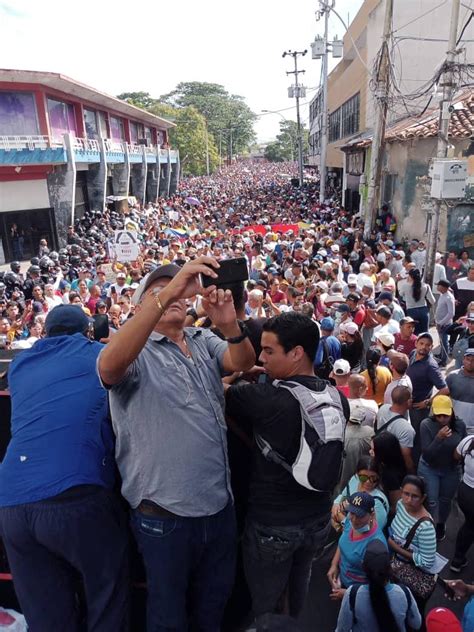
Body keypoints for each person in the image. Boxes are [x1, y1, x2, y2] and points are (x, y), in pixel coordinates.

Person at [97, 258, 256, 631]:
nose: (175, 295)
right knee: (168, 616)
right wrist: (170, 289)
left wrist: (229, 324)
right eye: (159, 291)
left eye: (180, 290)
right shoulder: (134, 350)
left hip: (218, 507)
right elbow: (108, 368)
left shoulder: (202, 339)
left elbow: (243, 361)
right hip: (164, 514)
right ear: (139, 308)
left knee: (212, 608)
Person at [0, 305, 129, 631]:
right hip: (75, 493)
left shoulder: (19, 365)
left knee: (46, 615)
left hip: (12, 503)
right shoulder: (98, 354)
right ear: (87, 333)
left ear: (44, 334)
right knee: (107, 595)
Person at [225, 312, 349, 619]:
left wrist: (236, 374)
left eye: (269, 351)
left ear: (296, 353)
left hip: (272, 525)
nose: (262, 359)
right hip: (318, 520)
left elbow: (217, 387)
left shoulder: (264, 399)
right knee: (297, 592)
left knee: (266, 608)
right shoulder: (337, 397)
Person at [335, 539, 421, 632]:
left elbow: (342, 629)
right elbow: (416, 623)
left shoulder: (352, 595)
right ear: (389, 568)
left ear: (363, 566)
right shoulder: (404, 593)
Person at [388, 475, 437, 622]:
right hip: (395, 566)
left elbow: (427, 561)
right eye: (406, 494)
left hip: (410, 576)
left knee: (412, 615)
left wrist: (397, 548)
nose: (409, 500)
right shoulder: (401, 505)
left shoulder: (425, 527)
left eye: (415, 496)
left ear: (423, 498)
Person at [418, 395, 466, 541]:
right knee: (432, 500)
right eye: (439, 415)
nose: (442, 418)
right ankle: (429, 525)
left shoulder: (459, 425)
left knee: (446, 500)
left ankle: (441, 524)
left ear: (451, 412)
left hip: (451, 469)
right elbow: (427, 455)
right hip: (430, 467)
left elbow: (464, 448)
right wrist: (438, 438)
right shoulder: (426, 424)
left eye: (445, 415)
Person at [327, 492, 387, 598]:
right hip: (343, 581)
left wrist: (347, 594)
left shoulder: (376, 546)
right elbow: (344, 540)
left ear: (372, 514)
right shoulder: (351, 523)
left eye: (360, 516)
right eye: (352, 513)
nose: (354, 519)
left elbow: (378, 588)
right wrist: (334, 564)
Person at [407, 332, 449, 459]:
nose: (424, 347)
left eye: (428, 345)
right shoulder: (413, 353)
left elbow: (445, 389)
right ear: (416, 343)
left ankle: (415, 465)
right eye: (421, 343)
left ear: (431, 347)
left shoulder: (431, 366)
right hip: (407, 404)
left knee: (417, 438)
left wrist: (427, 402)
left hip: (418, 409)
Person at [332, 457, 389, 532]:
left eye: (373, 478)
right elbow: (344, 494)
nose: (368, 482)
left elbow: (372, 531)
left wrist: (342, 520)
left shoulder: (377, 502)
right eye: (363, 478)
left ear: (379, 477)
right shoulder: (354, 480)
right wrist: (336, 504)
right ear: (357, 474)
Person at [377, 385, 416, 473]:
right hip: (394, 467)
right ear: (408, 401)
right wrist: (412, 473)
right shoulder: (406, 429)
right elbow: (406, 457)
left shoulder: (383, 408)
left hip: (379, 459)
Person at [450, 434, 474, 573]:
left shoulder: (468, 440)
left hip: (465, 492)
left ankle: (458, 559)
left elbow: (456, 456)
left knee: (469, 525)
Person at [371, 431, 407, 512]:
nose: (370, 452)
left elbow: (395, 506)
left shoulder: (391, 476)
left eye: (373, 450)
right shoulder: (384, 467)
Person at [399, 268, 435, 335]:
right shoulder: (426, 286)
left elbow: (400, 294)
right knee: (424, 333)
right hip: (424, 311)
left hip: (411, 311)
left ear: (411, 276)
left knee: (412, 333)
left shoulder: (405, 286)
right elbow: (432, 301)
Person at [447, 348, 474, 434]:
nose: (470, 362)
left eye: (473, 360)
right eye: (468, 359)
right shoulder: (452, 376)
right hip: (455, 426)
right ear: (463, 360)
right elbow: (444, 398)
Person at [435, 279, 455, 366]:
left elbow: (451, 313)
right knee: (441, 341)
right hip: (440, 323)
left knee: (444, 342)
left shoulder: (448, 297)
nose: (437, 287)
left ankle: (444, 361)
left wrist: (441, 323)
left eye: (438, 285)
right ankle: (441, 355)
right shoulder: (443, 294)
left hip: (445, 324)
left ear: (443, 287)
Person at [314, 316, 341, 380]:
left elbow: (317, 362)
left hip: (324, 376)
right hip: (334, 373)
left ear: (321, 328)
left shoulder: (321, 342)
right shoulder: (337, 341)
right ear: (333, 329)